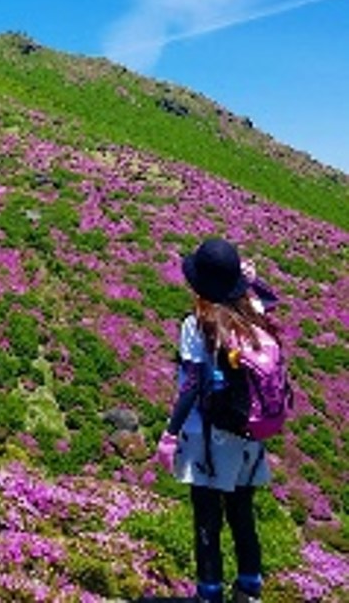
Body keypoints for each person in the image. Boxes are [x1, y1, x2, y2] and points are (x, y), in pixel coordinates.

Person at [154, 237, 279, 603]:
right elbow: (271, 299)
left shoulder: (198, 323)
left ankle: (209, 595)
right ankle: (249, 590)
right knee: (242, 515)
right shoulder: (254, 312)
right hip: (250, 434)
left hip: (210, 435)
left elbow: (192, 385)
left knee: (207, 519)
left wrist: (170, 434)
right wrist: (250, 281)